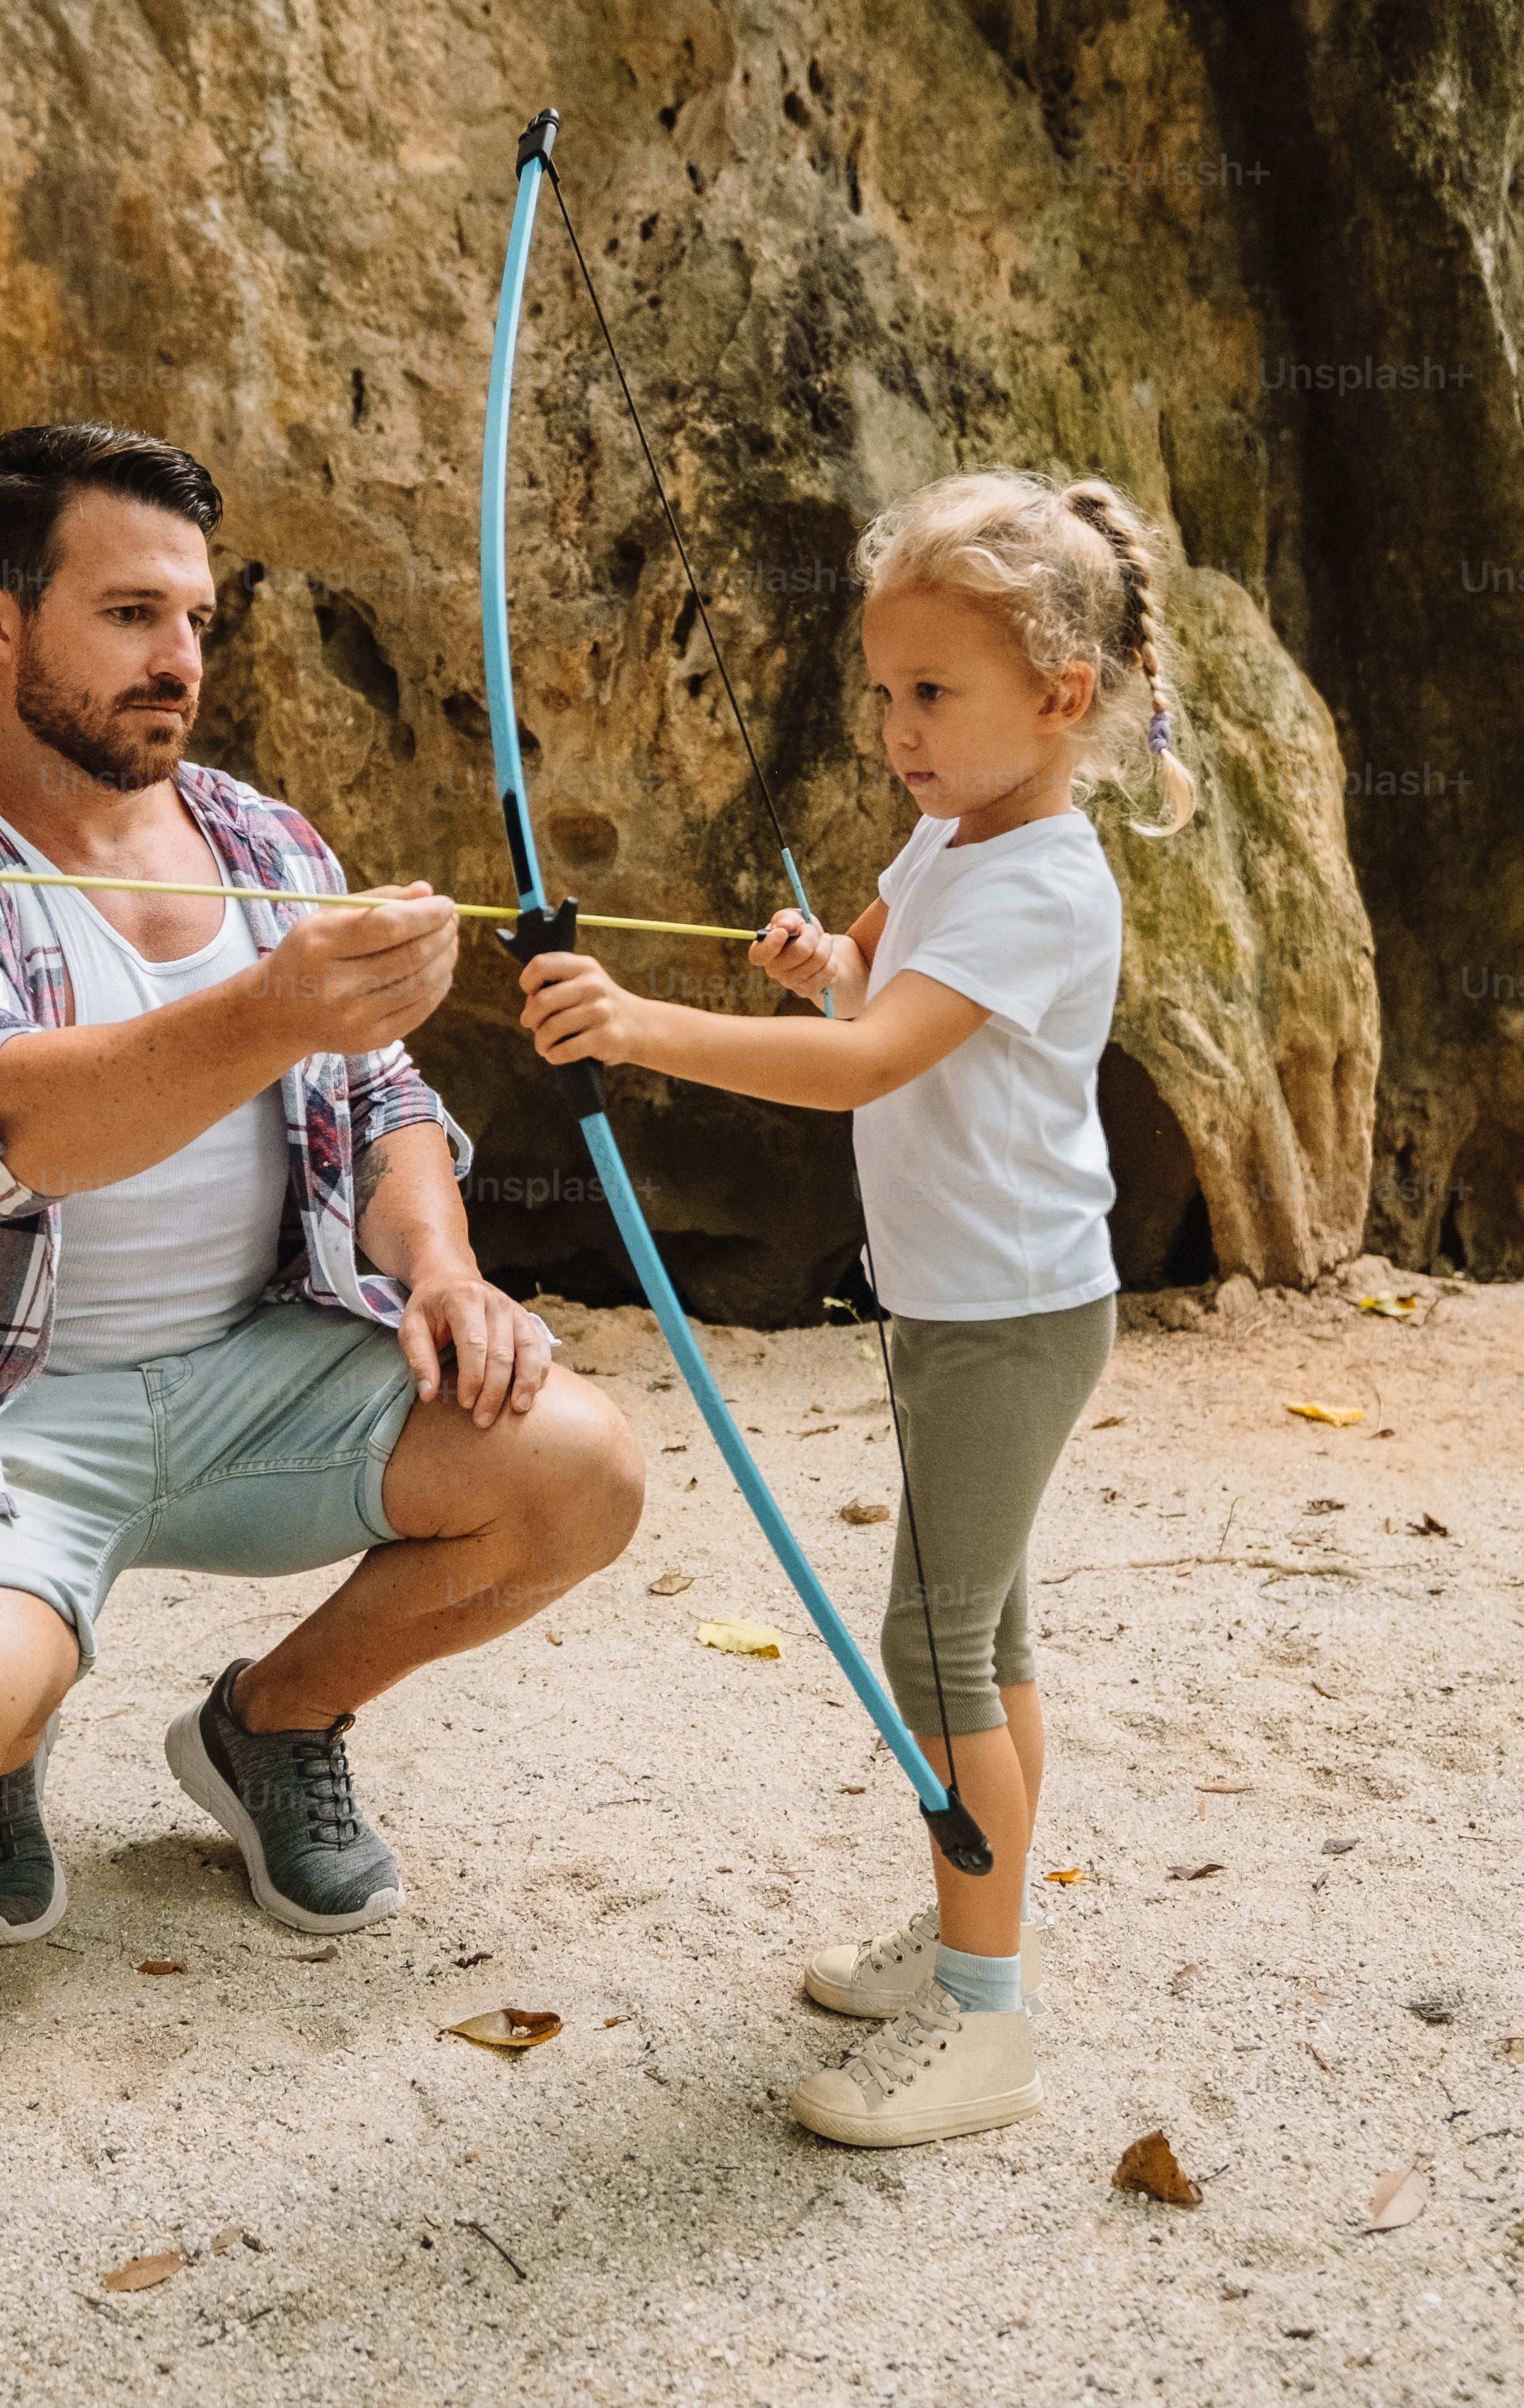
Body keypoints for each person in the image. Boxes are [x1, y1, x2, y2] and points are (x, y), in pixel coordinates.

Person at [0, 423, 639, 1944]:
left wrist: (438, 1269)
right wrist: (276, 1009)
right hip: (10, 1410)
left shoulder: (262, 838)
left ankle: (272, 1727)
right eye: (128, 616)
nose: (178, 658)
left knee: (581, 1470)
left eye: (193, 619)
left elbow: (384, 1097)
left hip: (264, 1374)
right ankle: (1, 1724)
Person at [515, 471, 1192, 2145]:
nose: (896, 728)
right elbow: (874, 988)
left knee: (933, 1641)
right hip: (968, 1303)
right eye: (883, 693)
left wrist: (638, 1029)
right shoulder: (956, 827)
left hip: (1012, 1317)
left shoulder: (1043, 876)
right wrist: (827, 959)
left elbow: (870, 1067)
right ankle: (978, 1935)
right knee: (984, 1629)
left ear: (1061, 694)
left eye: (932, 694)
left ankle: (986, 2017)